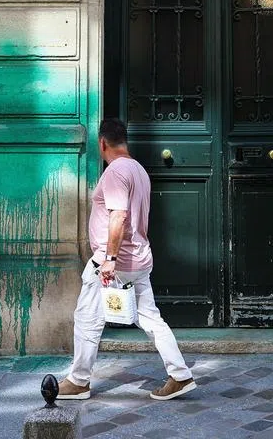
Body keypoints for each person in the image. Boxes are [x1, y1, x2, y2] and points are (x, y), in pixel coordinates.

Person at [57, 117, 196, 401]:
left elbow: (118, 215)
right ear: (125, 141)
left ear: (102, 143)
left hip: (114, 263)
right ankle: (180, 374)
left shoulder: (116, 172)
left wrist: (109, 258)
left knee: (86, 318)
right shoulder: (139, 170)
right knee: (151, 319)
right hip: (139, 259)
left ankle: (79, 381)